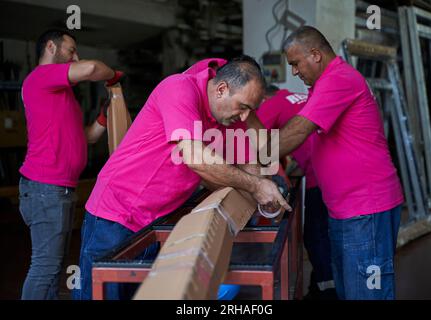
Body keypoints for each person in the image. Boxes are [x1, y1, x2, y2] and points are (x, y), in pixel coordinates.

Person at [72, 55, 291, 300]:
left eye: (249, 111)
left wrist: (267, 189)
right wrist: (256, 186)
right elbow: (195, 157)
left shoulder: (227, 115)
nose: (243, 117)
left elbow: (250, 160)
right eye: (243, 107)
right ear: (221, 89)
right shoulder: (178, 89)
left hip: (156, 220)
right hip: (116, 214)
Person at [278, 26, 404, 300]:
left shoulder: (338, 79)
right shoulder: (322, 85)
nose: (295, 72)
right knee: (348, 291)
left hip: (366, 209)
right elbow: (318, 139)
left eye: (296, 64)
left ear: (315, 55)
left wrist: (251, 159)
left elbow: (299, 130)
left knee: (367, 294)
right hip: (345, 210)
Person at [19, 29, 123, 300]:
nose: (75, 57)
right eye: (70, 50)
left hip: (57, 190)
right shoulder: (41, 77)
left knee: (52, 268)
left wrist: (102, 118)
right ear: (51, 47)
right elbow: (91, 67)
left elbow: (86, 137)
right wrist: (112, 76)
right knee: (44, 267)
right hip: (46, 189)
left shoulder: (62, 94)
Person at [256, 85, 337, 299]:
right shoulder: (296, 97)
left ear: (263, 97)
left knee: (315, 234)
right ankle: (318, 288)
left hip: (318, 175)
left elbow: (251, 142)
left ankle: (328, 292)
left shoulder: (271, 104)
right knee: (327, 232)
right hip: (335, 172)